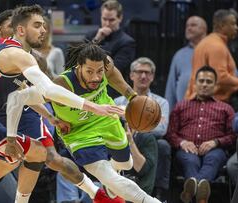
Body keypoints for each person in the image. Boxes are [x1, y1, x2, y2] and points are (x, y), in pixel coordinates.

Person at [0, 5, 123, 203]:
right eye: (37, 25)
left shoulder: (4, 47)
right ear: (20, 30)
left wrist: (49, 117)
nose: (43, 30)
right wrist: (94, 107)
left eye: (44, 26)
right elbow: (49, 90)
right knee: (29, 154)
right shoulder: (17, 54)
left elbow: (24, 94)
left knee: (26, 154)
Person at [46, 42, 160, 203]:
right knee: (109, 177)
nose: (96, 77)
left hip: (106, 116)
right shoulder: (63, 84)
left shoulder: (106, 65)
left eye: (99, 71)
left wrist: (132, 97)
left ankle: (111, 182)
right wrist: (53, 119)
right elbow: (33, 97)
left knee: (127, 164)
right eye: (89, 71)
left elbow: (115, 78)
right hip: (79, 132)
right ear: (79, 67)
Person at [167, 66, 236, 203]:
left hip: (215, 151)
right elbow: (170, 133)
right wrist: (182, 143)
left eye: (209, 82)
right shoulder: (181, 106)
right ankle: (201, 196)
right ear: (195, 83)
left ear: (215, 86)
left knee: (214, 159)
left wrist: (215, 142)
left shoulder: (226, 109)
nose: (205, 84)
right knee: (190, 161)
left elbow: (233, 136)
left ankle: (190, 192)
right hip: (186, 150)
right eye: (202, 81)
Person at [115, 57, 169, 198]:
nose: (143, 76)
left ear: (152, 77)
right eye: (139, 72)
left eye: (147, 73)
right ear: (131, 75)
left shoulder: (161, 102)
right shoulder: (117, 101)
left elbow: (162, 129)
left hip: (147, 142)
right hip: (122, 139)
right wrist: (146, 123)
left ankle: (158, 192)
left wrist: (133, 124)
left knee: (162, 145)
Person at [185, 9, 238, 102]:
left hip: (198, 101)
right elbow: (221, 77)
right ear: (222, 25)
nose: (236, 27)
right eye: (233, 24)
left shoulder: (207, 42)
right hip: (210, 105)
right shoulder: (217, 46)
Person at [85, 0, 135, 98]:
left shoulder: (127, 42)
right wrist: (96, 40)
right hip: (88, 92)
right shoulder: (91, 36)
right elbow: (79, 60)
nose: (107, 24)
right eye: (104, 19)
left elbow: (112, 69)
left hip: (113, 94)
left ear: (120, 18)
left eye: (111, 20)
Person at [165, 16, 207, 110]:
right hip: (184, 111)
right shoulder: (179, 54)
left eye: (193, 25)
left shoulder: (213, 50)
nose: (189, 28)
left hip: (209, 112)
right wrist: (169, 113)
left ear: (204, 29)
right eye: (187, 26)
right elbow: (171, 87)